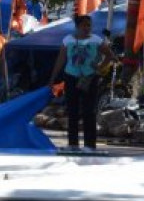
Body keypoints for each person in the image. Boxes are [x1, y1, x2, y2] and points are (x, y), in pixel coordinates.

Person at [48, 14, 116, 152]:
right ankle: (73, 144)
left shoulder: (96, 40)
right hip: (71, 77)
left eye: (89, 25)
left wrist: (100, 67)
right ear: (77, 27)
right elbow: (61, 60)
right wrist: (52, 78)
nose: (87, 28)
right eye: (84, 25)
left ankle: (90, 145)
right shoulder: (68, 40)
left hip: (89, 78)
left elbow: (110, 56)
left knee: (89, 111)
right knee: (72, 111)